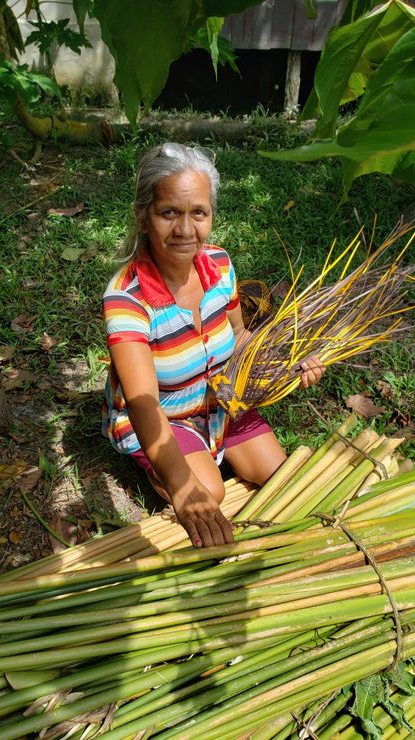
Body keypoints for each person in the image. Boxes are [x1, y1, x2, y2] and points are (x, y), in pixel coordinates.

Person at [102, 143, 325, 548]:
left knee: (281, 475)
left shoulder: (219, 264)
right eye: (169, 212)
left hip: (221, 398)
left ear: (211, 215)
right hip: (164, 416)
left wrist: (290, 362)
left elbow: (240, 337)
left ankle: (203, 454)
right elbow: (141, 401)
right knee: (209, 494)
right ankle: (159, 466)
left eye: (198, 213)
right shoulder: (127, 299)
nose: (186, 230)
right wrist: (183, 490)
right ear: (144, 218)